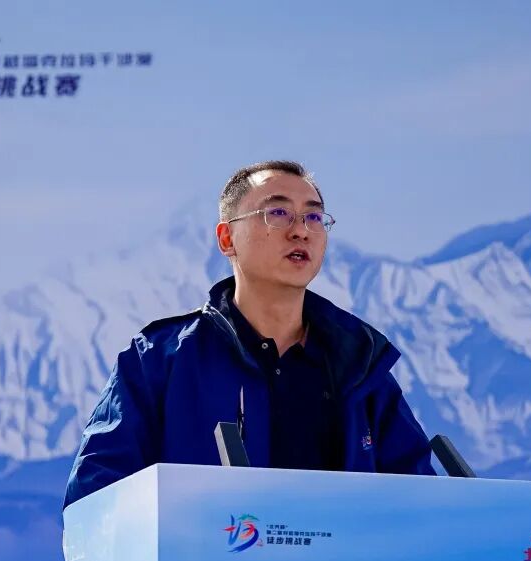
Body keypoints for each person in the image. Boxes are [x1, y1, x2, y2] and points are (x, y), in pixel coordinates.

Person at [64, 160, 434, 509]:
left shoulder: (360, 366)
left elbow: (422, 504)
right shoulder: (160, 360)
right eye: (278, 213)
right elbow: (96, 497)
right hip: (203, 558)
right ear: (227, 238)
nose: (301, 230)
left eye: (313, 216)